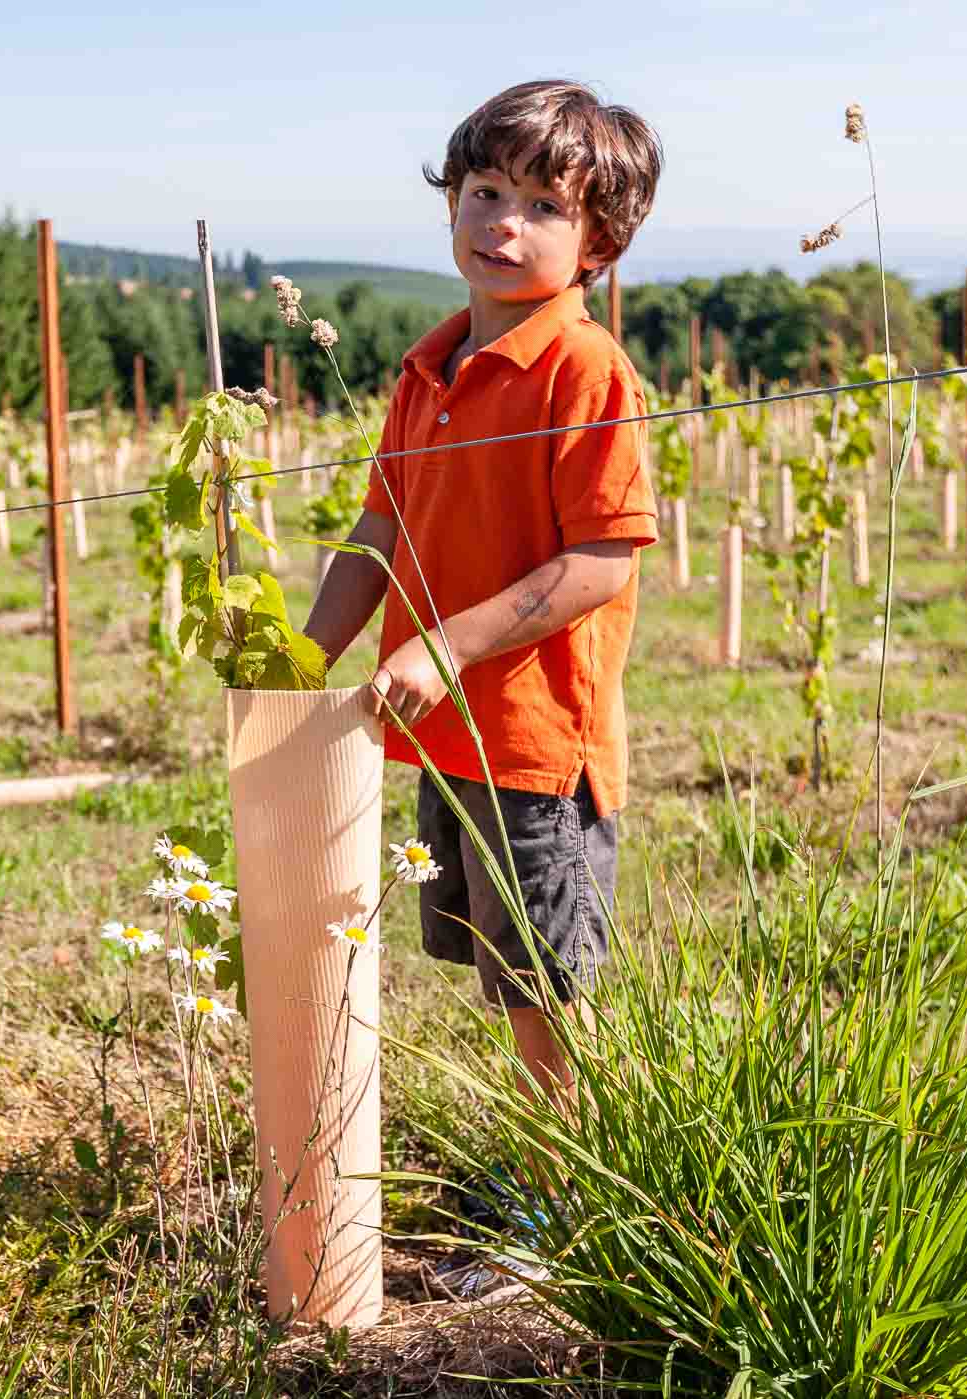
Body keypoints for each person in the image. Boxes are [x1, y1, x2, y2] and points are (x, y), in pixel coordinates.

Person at [301, 80, 662, 1292]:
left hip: (530, 743)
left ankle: (565, 1217)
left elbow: (600, 559)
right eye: (483, 193)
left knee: (545, 990)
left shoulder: (582, 368)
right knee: (501, 975)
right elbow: (378, 526)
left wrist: (446, 646)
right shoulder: (427, 368)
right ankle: (540, 1171)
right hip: (440, 740)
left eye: (540, 205)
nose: (501, 222)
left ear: (594, 242)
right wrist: (301, 658)